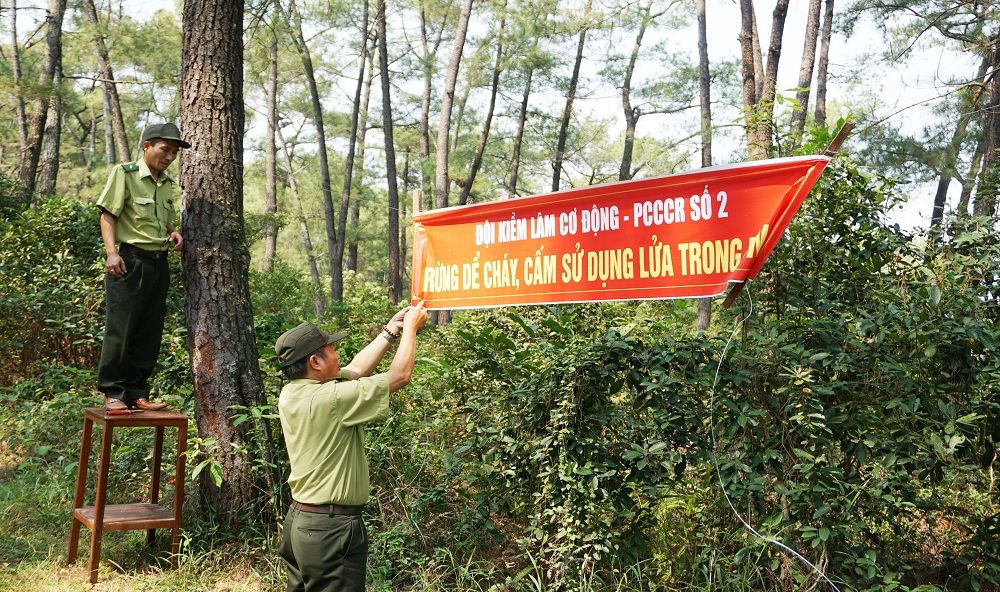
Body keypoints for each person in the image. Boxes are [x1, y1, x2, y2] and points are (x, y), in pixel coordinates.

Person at [274, 302, 427, 592]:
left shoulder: (293, 392)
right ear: (315, 363)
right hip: (330, 530)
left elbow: (356, 369)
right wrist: (410, 330)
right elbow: (399, 377)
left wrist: (390, 331)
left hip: (300, 523)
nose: (337, 353)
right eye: (330, 350)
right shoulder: (331, 399)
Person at [95, 122, 190, 411]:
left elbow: (158, 219)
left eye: (174, 152)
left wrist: (172, 230)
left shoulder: (167, 183)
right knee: (121, 329)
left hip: (158, 264)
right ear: (146, 146)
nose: (170, 156)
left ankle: (137, 392)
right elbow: (108, 215)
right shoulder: (125, 174)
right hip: (130, 261)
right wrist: (111, 253)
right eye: (165, 149)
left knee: (150, 330)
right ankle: (113, 392)